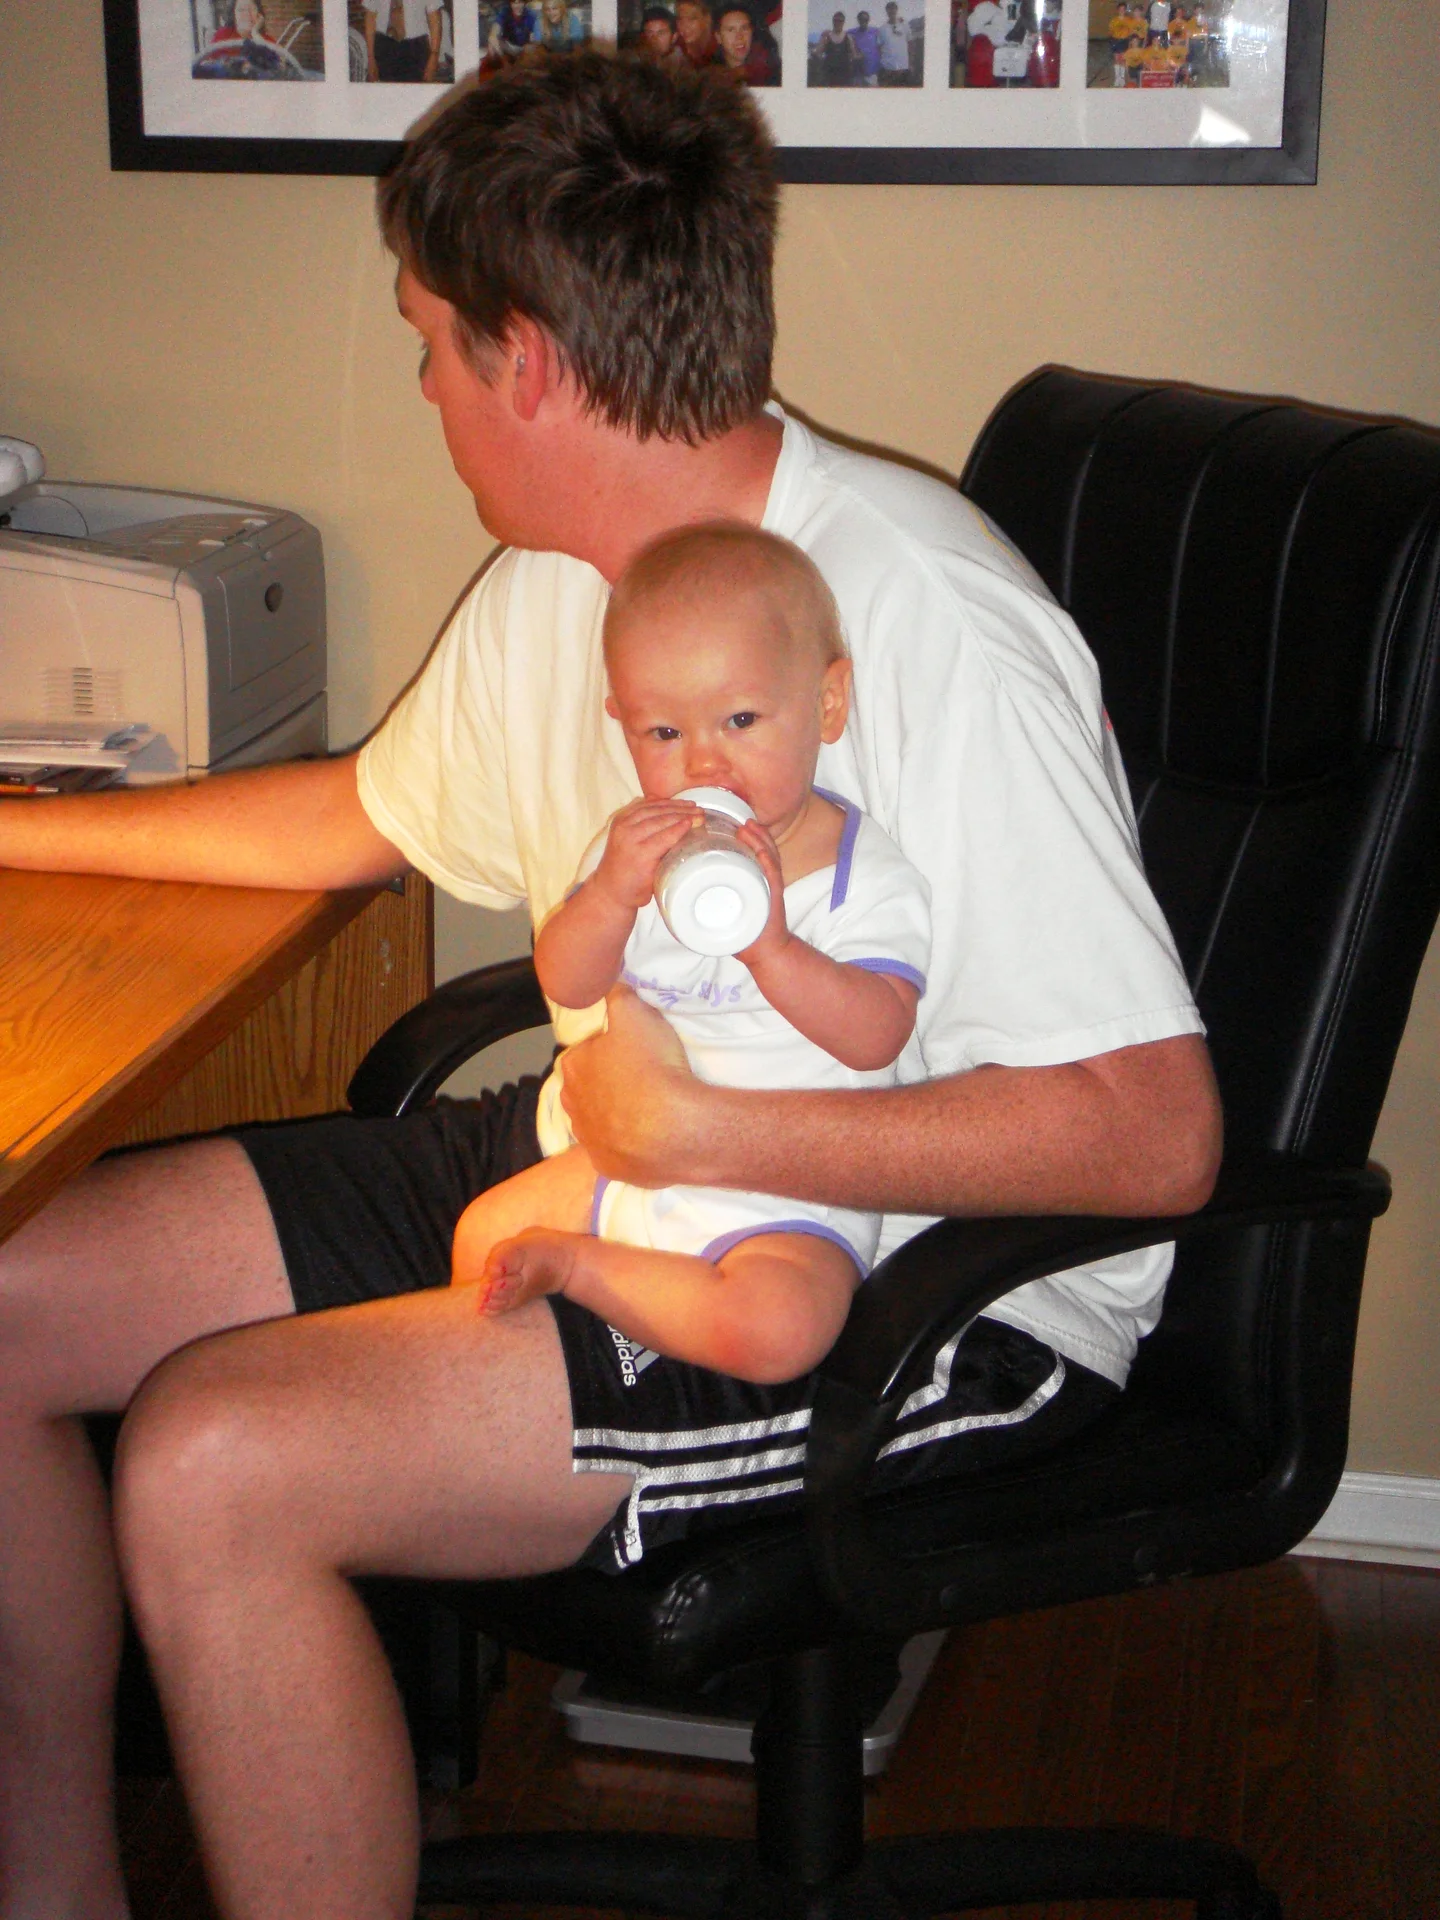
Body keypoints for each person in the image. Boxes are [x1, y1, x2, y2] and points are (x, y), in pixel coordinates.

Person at [0, 50, 1219, 1920]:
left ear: (531, 366)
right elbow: (359, 817)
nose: (422, 388)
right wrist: (25, 831)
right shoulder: (566, 584)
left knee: (217, 1461)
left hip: (921, 1279)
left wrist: (705, 1130)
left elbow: (1153, 1138)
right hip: (619, 1153)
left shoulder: (924, 620)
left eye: (431, 343)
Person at [452, 524, 932, 1562]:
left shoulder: (862, 875)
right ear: (621, 728)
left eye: (742, 720)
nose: (704, 762)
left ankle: (586, 1272)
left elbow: (876, 1035)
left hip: (786, 1189)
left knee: (780, 1331)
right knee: (479, 1240)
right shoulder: (638, 850)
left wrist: (772, 949)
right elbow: (568, 978)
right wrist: (611, 893)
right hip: (631, 1162)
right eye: (664, 732)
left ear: (827, 704)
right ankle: (547, 1378)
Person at [362, 0, 442, 81]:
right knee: (385, 88)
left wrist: (434, 56)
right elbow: (370, 18)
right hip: (384, 45)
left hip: (415, 47)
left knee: (415, 88)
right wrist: (370, 58)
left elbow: (435, 20)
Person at [714, 1, 776, 83]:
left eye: (744, 28)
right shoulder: (710, 77)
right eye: (731, 30)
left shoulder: (771, 73)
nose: (739, 37)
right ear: (718, 37)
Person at [816, 9, 857, 82]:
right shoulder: (826, 36)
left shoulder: (848, 37)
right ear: (833, 21)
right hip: (829, 74)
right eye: (835, 20)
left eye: (840, 21)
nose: (837, 23)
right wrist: (822, 38)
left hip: (845, 74)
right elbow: (818, 53)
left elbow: (853, 56)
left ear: (843, 22)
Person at [878, 0, 913, 83]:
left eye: (893, 8)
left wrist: (911, 63)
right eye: (889, 9)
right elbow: (879, 48)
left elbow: (910, 44)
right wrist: (883, 65)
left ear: (897, 10)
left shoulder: (905, 26)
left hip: (903, 68)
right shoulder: (882, 29)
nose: (891, 11)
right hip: (888, 70)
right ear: (886, 11)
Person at [850, 6, 882, 81]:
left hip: (873, 73)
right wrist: (828, 32)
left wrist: (899, 21)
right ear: (858, 20)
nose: (863, 21)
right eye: (861, 19)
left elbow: (889, 33)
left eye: (866, 19)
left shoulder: (876, 31)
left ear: (869, 20)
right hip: (859, 73)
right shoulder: (852, 32)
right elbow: (840, 33)